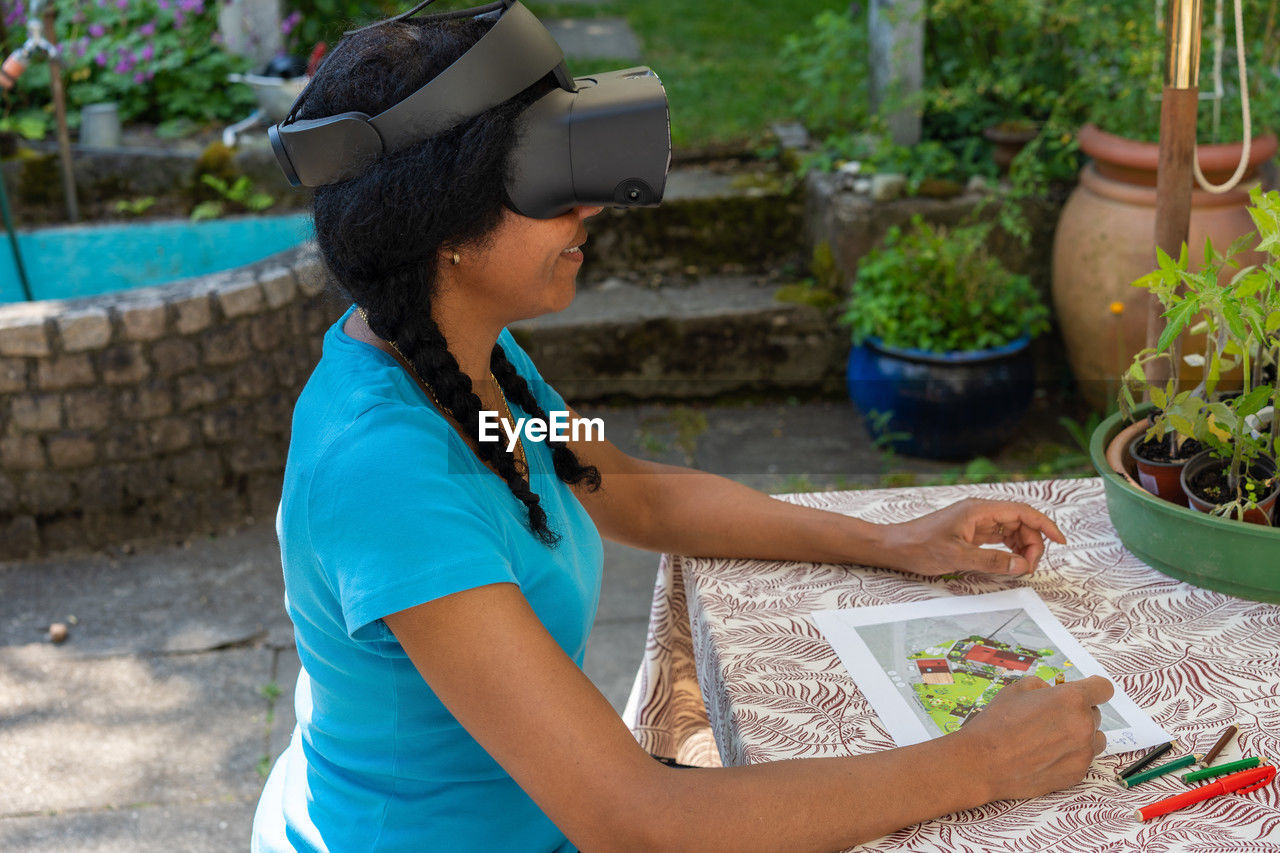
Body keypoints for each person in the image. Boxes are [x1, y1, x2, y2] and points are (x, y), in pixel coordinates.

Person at [250, 13, 1114, 853]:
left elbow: (630, 487)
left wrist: (889, 539)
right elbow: (637, 820)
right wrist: (982, 761)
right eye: (548, 179)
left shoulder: (475, 359)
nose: (590, 205)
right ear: (444, 231)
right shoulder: (386, 472)